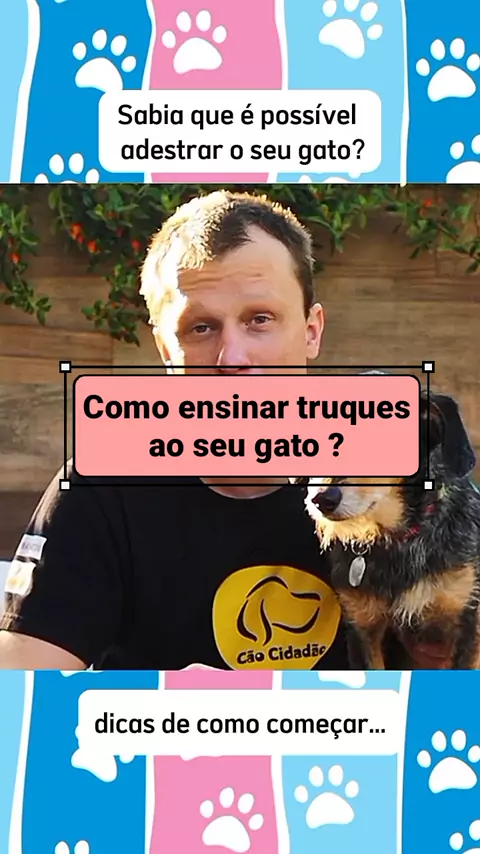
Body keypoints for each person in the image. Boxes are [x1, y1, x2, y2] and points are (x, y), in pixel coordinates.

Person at [0, 190, 452, 670]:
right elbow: (22, 690)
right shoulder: (103, 485)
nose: (232, 358)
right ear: (165, 350)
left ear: (311, 331)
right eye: (201, 328)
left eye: (260, 320)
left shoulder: (404, 469)